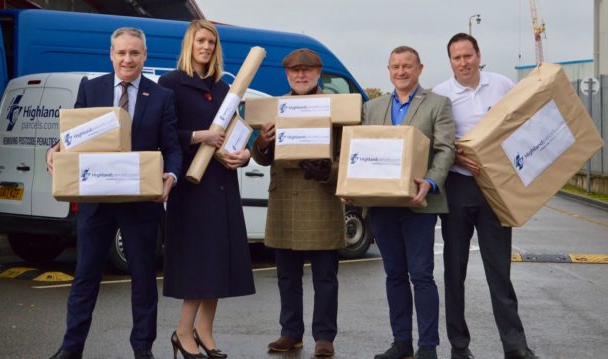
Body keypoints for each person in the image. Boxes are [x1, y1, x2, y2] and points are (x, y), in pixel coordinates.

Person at [46, 27, 182, 359]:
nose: (127, 59)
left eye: (134, 53)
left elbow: (173, 148)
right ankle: (71, 348)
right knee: (85, 278)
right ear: (111, 54)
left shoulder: (161, 95)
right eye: (121, 52)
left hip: (141, 203)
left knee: (144, 281)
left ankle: (142, 350)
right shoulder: (91, 88)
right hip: (96, 200)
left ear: (144, 56)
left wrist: (172, 177)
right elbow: (73, 136)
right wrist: (56, 147)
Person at [432, 33, 539, 359]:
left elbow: (521, 124)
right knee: (454, 272)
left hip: (496, 188)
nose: (463, 63)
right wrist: (455, 155)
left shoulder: (502, 84)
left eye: (468, 56)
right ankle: (459, 347)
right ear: (450, 61)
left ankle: (515, 346)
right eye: (456, 58)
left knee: (499, 271)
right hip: (458, 186)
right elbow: (435, 141)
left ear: (479, 55)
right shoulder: (441, 94)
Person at [158, 20, 255, 359]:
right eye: (201, 41)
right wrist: (199, 136)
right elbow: (165, 134)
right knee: (198, 262)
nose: (206, 47)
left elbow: (237, 133)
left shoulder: (224, 89)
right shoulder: (170, 84)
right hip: (191, 186)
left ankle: (205, 331)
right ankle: (183, 331)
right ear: (190, 44)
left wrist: (242, 155)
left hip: (223, 183)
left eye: (212, 43)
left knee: (218, 261)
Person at [362, 46, 455, 359]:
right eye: (395, 66)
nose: (401, 72)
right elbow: (361, 151)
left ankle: (427, 346)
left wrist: (430, 182)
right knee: (394, 276)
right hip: (382, 205)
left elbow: (445, 149)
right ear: (388, 70)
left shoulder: (438, 104)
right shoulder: (371, 108)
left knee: (422, 276)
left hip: (419, 204)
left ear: (420, 69)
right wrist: (355, 185)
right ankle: (401, 343)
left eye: (407, 66)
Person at [252, 48, 345, 358]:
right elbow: (261, 158)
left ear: (319, 74)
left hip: (321, 198)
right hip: (284, 203)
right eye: (295, 71)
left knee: (325, 277)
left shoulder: (338, 109)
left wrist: (328, 171)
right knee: (287, 275)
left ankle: (324, 336)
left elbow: (348, 158)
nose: (301, 75)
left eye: (307, 70)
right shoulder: (274, 108)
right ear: (288, 75)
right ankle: (290, 332)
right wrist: (262, 143)